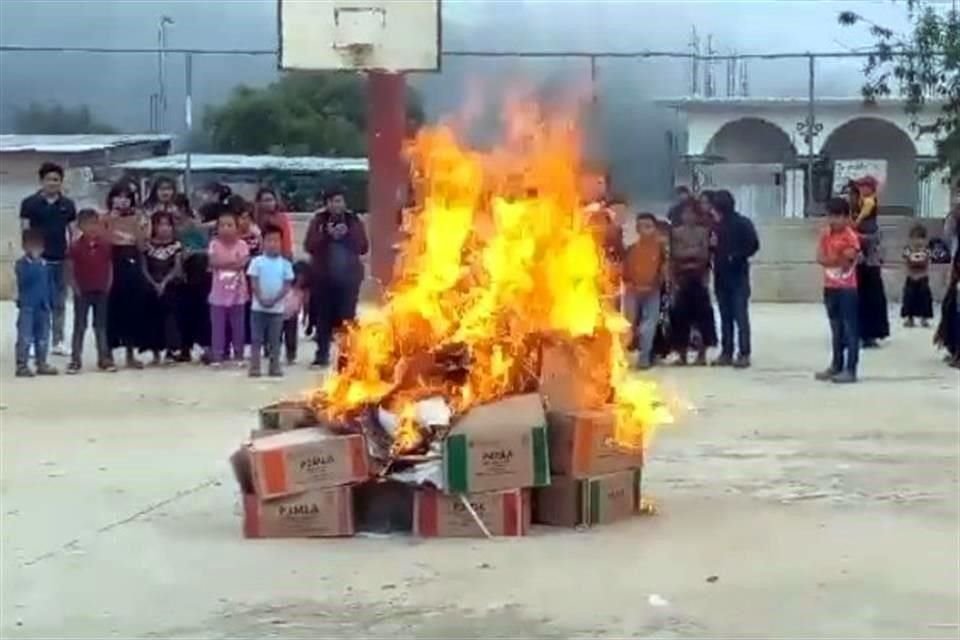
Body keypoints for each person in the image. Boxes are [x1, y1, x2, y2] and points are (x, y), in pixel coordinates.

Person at [304, 188, 369, 367]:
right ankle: (321, 354)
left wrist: (346, 234)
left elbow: (363, 247)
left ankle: (346, 357)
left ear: (344, 203)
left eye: (339, 201)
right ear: (326, 204)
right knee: (322, 319)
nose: (336, 205)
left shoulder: (353, 220)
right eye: (332, 201)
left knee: (347, 320)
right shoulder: (319, 221)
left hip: (348, 280)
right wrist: (327, 235)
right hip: (323, 280)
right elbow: (309, 245)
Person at [19, 161, 77, 356]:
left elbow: (73, 232)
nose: (53, 183)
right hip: (38, 261)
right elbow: (25, 230)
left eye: (57, 180)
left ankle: (58, 341)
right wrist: (31, 256)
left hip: (60, 259)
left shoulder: (67, 205)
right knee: (38, 303)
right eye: (49, 179)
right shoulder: (29, 203)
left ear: (61, 182)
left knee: (59, 303)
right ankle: (36, 340)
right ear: (41, 181)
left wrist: (72, 256)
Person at [710, 190, 760, 368]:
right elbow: (711, 248)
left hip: (738, 276)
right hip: (721, 276)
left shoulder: (742, 223)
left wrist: (736, 255)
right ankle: (727, 352)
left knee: (740, 317)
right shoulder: (715, 225)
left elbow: (754, 245)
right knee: (725, 317)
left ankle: (744, 353)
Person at [815, 198, 861, 384]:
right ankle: (836, 364)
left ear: (846, 217)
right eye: (830, 216)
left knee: (850, 330)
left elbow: (848, 259)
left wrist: (833, 259)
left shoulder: (851, 236)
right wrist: (836, 258)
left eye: (837, 216)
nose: (833, 220)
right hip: (830, 286)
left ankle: (851, 369)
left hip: (847, 288)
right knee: (835, 328)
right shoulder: (825, 234)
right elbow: (820, 257)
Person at [104, 182, 149, 369]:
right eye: (118, 196)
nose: (122, 200)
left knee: (132, 309)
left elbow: (142, 245)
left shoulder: (138, 218)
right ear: (112, 198)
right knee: (110, 310)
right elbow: (101, 240)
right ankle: (107, 354)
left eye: (127, 197)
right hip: (110, 264)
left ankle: (131, 354)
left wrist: (139, 226)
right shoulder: (103, 218)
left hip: (132, 263)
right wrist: (111, 221)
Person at [65, 208, 115, 374]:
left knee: (101, 326)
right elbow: (70, 269)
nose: (92, 228)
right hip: (83, 291)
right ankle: (75, 359)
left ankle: (104, 358)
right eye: (87, 224)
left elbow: (109, 266)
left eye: (95, 224)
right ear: (80, 227)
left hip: (101, 290)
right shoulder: (75, 247)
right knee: (80, 326)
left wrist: (109, 284)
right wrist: (75, 287)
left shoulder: (105, 245)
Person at [669, 203, 717, 365]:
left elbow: (704, 255)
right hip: (682, 279)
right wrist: (692, 253)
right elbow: (675, 254)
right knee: (680, 318)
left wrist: (688, 254)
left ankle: (701, 355)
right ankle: (681, 355)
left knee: (702, 318)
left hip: (699, 278)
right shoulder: (676, 233)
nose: (688, 217)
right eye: (685, 213)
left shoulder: (704, 233)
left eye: (691, 214)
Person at [247, 225, 294, 377]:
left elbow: (287, 286)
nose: (272, 244)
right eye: (269, 240)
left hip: (277, 310)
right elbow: (253, 282)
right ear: (263, 242)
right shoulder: (257, 262)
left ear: (281, 243)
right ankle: (255, 367)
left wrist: (274, 300)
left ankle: (274, 367)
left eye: (276, 240)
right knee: (256, 339)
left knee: (275, 341)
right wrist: (261, 298)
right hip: (257, 309)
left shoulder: (285, 264)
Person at [849, 178, 890, 347]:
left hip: (870, 264)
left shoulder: (869, 208)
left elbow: (873, 237)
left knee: (871, 298)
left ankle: (870, 334)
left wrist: (857, 235)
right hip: (855, 266)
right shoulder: (854, 210)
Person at [623, 213, 666, 369]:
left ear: (655, 229)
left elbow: (664, 270)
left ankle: (644, 358)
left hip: (652, 292)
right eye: (641, 226)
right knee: (629, 324)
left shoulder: (661, 250)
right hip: (633, 291)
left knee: (648, 325)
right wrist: (631, 284)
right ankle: (621, 358)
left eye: (649, 226)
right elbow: (625, 270)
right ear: (637, 229)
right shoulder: (631, 249)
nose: (645, 230)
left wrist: (657, 284)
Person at [141, 211, 183, 365]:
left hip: (170, 286)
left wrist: (164, 283)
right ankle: (155, 352)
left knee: (170, 318)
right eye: (160, 224)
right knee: (153, 318)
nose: (164, 228)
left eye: (167, 224)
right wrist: (153, 283)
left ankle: (171, 351)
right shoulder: (147, 245)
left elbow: (177, 267)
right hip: (151, 286)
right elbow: (143, 267)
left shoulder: (176, 245)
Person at [208, 210, 249, 366]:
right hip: (218, 294)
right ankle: (218, 355)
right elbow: (213, 263)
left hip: (238, 293)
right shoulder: (214, 244)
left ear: (237, 228)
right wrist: (232, 264)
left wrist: (225, 264)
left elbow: (242, 264)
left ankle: (238, 355)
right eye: (222, 225)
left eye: (230, 225)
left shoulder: (242, 245)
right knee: (218, 326)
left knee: (238, 326)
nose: (226, 228)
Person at [172, 194, 211, 362]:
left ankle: (206, 347)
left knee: (200, 310)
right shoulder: (169, 226)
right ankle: (184, 347)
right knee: (182, 312)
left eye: (175, 207)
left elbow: (207, 249)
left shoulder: (195, 227)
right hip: (178, 275)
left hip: (197, 273)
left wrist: (191, 253)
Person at [15, 229, 58, 377]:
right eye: (32, 246)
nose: (35, 249)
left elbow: (50, 283)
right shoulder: (22, 264)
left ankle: (42, 363)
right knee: (25, 336)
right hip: (28, 305)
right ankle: (22, 365)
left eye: (38, 246)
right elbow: (25, 281)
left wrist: (53, 301)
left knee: (43, 336)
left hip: (43, 305)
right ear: (25, 247)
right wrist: (34, 263)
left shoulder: (46, 265)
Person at [900, 224, 934, 328]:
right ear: (911, 239)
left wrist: (922, 273)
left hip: (923, 278)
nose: (918, 241)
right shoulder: (908, 250)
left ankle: (924, 318)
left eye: (921, 238)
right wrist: (910, 274)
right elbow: (905, 264)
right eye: (915, 238)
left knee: (925, 297)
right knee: (909, 297)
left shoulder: (926, 251)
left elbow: (928, 264)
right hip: (911, 278)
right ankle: (909, 318)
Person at [282, 260, 311, 365]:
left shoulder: (304, 291)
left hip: (292, 316)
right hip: (279, 314)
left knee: (291, 336)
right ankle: (271, 352)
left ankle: (291, 355)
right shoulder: (286, 284)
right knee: (276, 336)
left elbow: (306, 304)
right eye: (298, 276)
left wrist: (304, 317)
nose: (300, 279)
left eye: (303, 278)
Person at [254, 187, 294, 259]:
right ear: (259, 203)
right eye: (266, 200)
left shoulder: (282, 218)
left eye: (272, 200)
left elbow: (286, 242)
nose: (270, 203)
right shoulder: (254, 219)